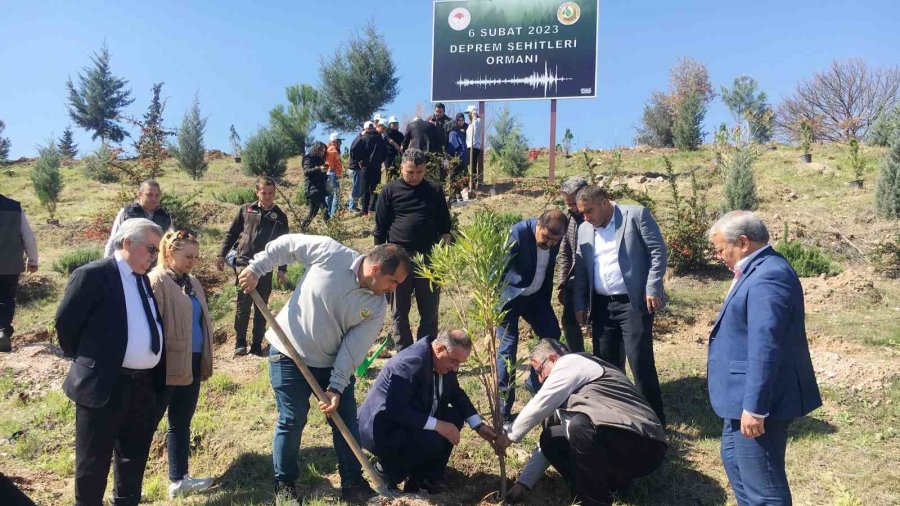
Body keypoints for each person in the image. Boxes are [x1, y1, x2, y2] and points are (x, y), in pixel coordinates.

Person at [237, 237, 410, 503]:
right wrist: (257, 267)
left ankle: (352, 484)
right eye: (393, 282)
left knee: (346, 422)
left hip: (330, 364)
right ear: (376, 270)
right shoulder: (330, 253)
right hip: (288, 353)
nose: (394, 289)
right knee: (292, 418)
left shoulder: (376, 306)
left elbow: (353, 348)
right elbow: (287, 245)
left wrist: (336, 387)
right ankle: (285, 484)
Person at [707, 211, 822, 506]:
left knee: (764, 489)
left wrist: (755, 408)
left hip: (758, 402)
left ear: (743, 242)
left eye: (721, 249)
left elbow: (765, 346)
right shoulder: (756, 270)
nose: (718, 256)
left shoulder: (769, 275)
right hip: (739, 398)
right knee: (738, 469)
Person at [56, 218, 165, 506]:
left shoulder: (141, 278)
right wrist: (92, 362)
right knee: (93, 463)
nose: (155, 257)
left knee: (133, 458)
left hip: (141, 386)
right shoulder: (93, 275)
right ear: (128, 243)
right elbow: (67, 324)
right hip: (105, 384)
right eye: (151, 249)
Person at [497, 339, 668, 506]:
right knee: (550, 438)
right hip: (622, 444)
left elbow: (541, 402)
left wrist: (510, 436)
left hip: (646, 444)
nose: (540, 379)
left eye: (539, 371)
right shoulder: (566, 393)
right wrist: (523, 484)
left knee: (580, 425)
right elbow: (544, 450)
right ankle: (610, 487)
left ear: (552, 359)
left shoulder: (572, 362)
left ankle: (595, 500)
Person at [357, 330, 498, 493]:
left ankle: (425, 479)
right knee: (431, 437)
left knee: (454, 418)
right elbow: (396, 410)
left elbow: (455, 393)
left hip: (415, 417)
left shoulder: (444, 363)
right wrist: (438, 425)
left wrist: (478, 426)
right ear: (439, 349)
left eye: (460, 363)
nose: (456, 368)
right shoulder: (410, 363)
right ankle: (387, 472)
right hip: (384, 429)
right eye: (454, 361)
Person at [573, 185, 667, 424]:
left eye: (589, 211)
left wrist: (653, 286)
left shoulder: (635, 215)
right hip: (602, 306)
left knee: (640, 362)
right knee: (606, 366)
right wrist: (580, 303)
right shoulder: (584, 228)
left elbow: (657, 252)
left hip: (633, 303)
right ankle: (617, 420)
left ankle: (655, 422)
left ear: (605, 202)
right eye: (582, 212)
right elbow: (582, 268)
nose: (586, 217)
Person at [147, 231, 215, 498]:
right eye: (187, 256)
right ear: (169, 253)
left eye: (196, 257)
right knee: (147, 423)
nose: (192, 261)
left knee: (181, 421)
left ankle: (178, 479)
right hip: (165, 364)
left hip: (193, 362)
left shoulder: (193, 282)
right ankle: (129, 483)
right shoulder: (157, 281)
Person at [373, 148, 452, 351]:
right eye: (410, 172)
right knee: (399, 309)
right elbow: (380, 229)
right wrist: (380, 260)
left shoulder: (434, 190)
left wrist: (443, 255)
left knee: (430, 309)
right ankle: (404, 352)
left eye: (419, 172)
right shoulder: (390, 191)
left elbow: (444, 226)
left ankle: (425, 351)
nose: (415, 177)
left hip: (429, 256)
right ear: (401, 168)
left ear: (425, 169)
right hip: (398, 256)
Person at [497, 210, 567, 424]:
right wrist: (494, 300)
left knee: (552, 337)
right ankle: (503, 411)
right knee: (508, 349)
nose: (549, 244)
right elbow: (497, 268)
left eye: (555, 241)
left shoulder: (553, 242)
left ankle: (535, 384)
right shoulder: (517, 233)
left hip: (536, 299)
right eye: (546, 237)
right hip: (509, 298)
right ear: (538, 225)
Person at [216, 176, 289, 357]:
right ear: (257, 192)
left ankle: (257, 343)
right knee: (243, 303)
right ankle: (240, 341)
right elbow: (231, 234)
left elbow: (285, 246)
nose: (268, 197)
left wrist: (282, 269)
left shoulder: (280, 217)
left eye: (271, 193)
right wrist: (221, 255)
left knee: (261, 306)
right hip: (243, 263)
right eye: (264, 193)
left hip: (266, 265)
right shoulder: (245, 210)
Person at [0, 193, 39, 353]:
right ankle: (2, 331)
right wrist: (33, 260)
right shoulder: (13, 207)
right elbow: (28, 236)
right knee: (6, 299)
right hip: (9, 265)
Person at [555, 177, 588, 353]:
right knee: (568, 322)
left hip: (594, 280)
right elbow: (565, 252)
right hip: (573, 280)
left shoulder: (595, 216)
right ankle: (579, 358)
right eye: (566, 203)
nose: (569, 207)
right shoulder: (568, 218)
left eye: (572, 203)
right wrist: (562, 283)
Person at [104, 180, 172, 257]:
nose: (154, 199)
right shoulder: (127, 212)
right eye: (150, 195)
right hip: (128, 262)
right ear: (140, 194)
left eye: (157, 196)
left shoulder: (165, 217)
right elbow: (113, 240)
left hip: (153, 265)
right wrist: (107, 263)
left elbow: (171, 244)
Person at [349, 121, 388, 217]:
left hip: (365, 167)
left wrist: (360, 160)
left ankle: (364, 211)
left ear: (365, 128)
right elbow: (385, 153)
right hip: (376, 167)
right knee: (374, 189)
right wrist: (379, 161)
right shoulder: (380, 138)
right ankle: (372, 210)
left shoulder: (362, 138)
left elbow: (353, 150)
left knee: (365, 189)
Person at [301, 141, 330, 231]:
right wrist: (318, 168)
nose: (322, 153)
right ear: (316, 150)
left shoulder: (320, 160)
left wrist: (325, 174)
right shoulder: (308, 158)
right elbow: (306, 172)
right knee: (324, 208)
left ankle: (302, 229)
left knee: (313, 213)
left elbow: (320, 174)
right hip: (313, 189)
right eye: (321, 151)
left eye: (323, 151)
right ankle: (332, 230)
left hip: (319, 189)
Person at [325, 133, 344, 219]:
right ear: (335, 141)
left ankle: (328, 214)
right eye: (340, 141)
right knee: (337, 195)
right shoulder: (332, 150)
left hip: (329, 173)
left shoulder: (329, 148)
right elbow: (329, 163)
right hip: (332, 174)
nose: (341, 143)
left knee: (330, 195)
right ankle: (333, 215)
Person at [465, 105, 484, 186]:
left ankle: (473, 184)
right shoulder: (470, 123)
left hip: (474, 146)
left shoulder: (478, 121)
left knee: (472, 165)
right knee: (470, 165)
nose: (468, 115)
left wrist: (474, 117)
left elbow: (475, 131)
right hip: (469, 146)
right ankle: (471, 182)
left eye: (469, 113)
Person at [346, 132, 364, 212]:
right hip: (355, 168)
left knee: (357, 188)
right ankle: (352, 206)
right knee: (355, 188)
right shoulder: (358, 140)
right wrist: (359, 161)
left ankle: (351, 205)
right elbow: (353, 151)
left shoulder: (358, 140)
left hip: (355, 168)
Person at [447, 113, 469, 180]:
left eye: (462, 120)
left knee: (456, 179)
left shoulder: (453, 134)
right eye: (458, 120)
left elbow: (452, 148)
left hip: (459, 160)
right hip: (464, 159)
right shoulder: (459, 133)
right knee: (464, 179)